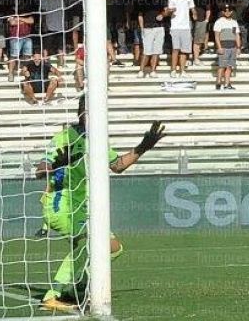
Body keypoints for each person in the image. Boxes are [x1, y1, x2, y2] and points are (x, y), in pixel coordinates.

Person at [36, 96, 165, 310]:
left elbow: (117, 165)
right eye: (89, 112)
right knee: (91, 243)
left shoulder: (97, 140)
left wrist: (143, 147)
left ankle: (77, 288)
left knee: (114, 249)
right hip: (60, 205)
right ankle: (53, 295)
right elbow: (39, 171)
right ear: (81, 114)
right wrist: (59, 163)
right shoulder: (63, 138)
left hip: (83, 208)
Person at [137, 0, 166, 78]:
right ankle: (141, 70)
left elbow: (166, 10)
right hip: (147, 28)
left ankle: (153, 71)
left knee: (156, 50)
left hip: (159, 27)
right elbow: (140, 15)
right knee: (146, 50)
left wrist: (162, 14)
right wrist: (141, 28)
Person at [166, 0, 195, 78]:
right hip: (175, 27)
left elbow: (193, 9)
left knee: (184, 51)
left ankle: (182, 71)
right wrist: (170, 11)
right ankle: (173, 70)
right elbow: (168, 12)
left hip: (186, 27)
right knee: (175, 49)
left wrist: (194, 14)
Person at [213, 5, 241, 91]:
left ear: (232, 12)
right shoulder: (219, 22)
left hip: (232, 46)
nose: (227, 12)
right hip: (223, 46)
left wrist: (238, 47)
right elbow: (216, 36)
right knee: (222, 66)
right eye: (225, 10)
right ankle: (218, 83)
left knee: (229, 66)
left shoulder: (234, 22)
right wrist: (219, 47)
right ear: (222, 12)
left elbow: (236, 35)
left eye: (229, 10)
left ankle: (227, 84)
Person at [6, 7, 35, 82]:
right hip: (15, 38)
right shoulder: (11, 16)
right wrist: (24, 21)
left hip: (27, 37)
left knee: (27, 56)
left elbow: (31, 21)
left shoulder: (29, 16)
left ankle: (26, 72)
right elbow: (12, 23)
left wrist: (19, 19)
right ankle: (11, 73)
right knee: (14, 56)